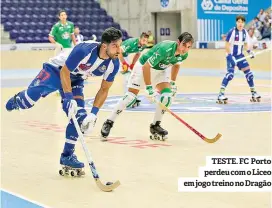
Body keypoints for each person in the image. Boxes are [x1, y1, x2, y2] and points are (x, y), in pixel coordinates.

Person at [6, 27, 123, 176]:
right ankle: (18, 100)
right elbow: (64, 72)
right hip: (56, 70)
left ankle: (67, 156)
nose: (119, 50)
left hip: (76, 78)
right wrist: (68, 98)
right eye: (115, 46)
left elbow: (104, 89)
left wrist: (93, 114)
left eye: (120, 45)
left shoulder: (113, 64)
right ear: (104, 45)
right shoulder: (84, 50)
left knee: (79, 118)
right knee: (29, 100)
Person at [100, 32, 194, 141]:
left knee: (167, 96)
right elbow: (146, 67)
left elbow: (176, 65)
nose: (185, 49)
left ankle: (155, 125)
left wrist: (172, 82)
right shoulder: (165, 49)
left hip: (160, 71)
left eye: (189, 47)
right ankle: (109, 122)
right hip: (143, 67)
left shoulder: (184, 54)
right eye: (184, 45)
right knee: (130, 97)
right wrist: (149, 88)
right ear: (178, 42)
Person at [217, 15, 261, 104]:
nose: (240, 23)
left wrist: (249, 52)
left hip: (240, 56)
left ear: (244, 23)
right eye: (239, 22)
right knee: (230, 75)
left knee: (249, 74)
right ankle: (221, 94)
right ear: (236, 22)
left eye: (242, 22)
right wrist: (230, 57)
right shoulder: (232, 31)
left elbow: (245, 44)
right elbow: (227, 45)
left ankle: (253, 93)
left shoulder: (245, 32)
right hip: (231, 56)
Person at [119, 32, 149, 107]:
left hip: (124, 56)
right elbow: (119, 52)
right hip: (116, 55)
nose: (145, 42)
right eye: (143, 40)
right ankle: (127, 99)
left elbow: (137, 54)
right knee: (127, 77)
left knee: (131, 76)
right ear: (139, 39)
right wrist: (124, 63)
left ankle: (129, 97)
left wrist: (132, 64)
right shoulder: (131, 43)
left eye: (146, 41)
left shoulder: (143, 45)